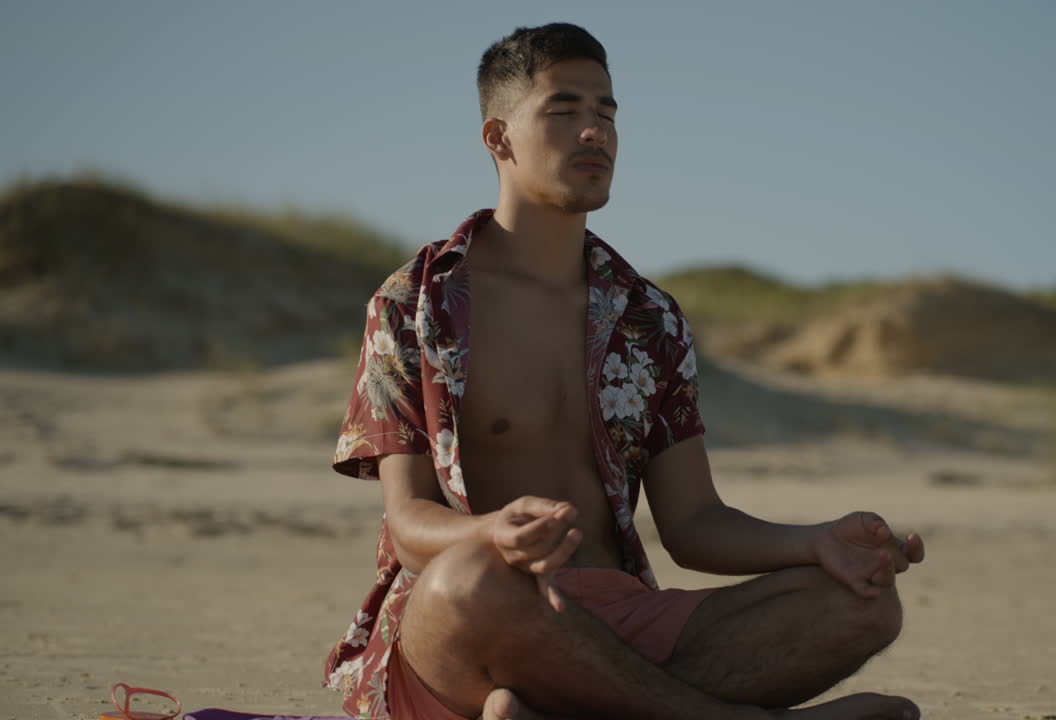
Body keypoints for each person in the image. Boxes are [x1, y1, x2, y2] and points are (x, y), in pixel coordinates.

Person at [323, 22, 925, 720]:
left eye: (606, 113)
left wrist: (815, 543)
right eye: (564, 110)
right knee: (469, 579)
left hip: (623, 622)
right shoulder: (415, 304)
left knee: (862, 604)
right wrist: (491, 532)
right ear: (498, 138)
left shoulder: (649, 317)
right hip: (470, 618)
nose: (593, 132)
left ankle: (561, 708)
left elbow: (695, 523)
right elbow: (408, 527)